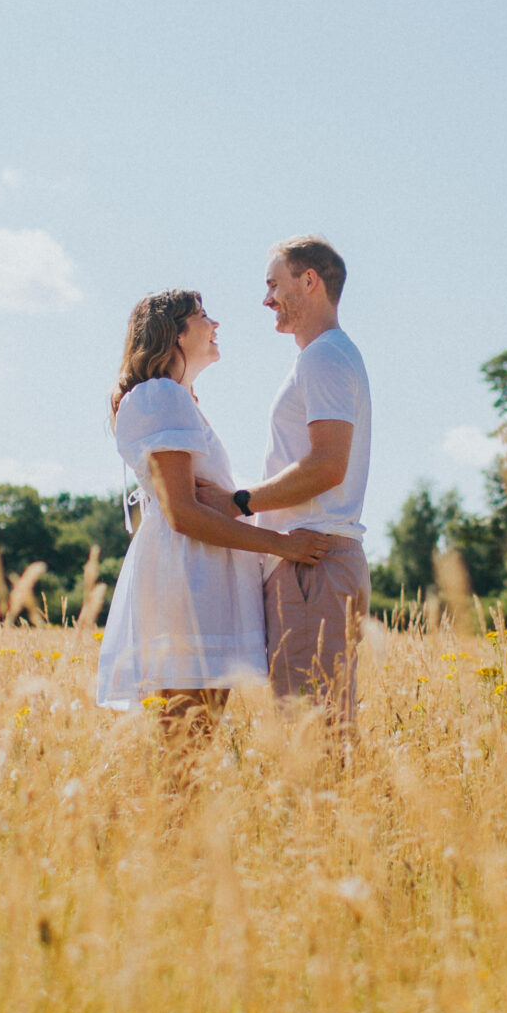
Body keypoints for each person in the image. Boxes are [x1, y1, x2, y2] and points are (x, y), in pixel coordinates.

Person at [94, 288, 333, 738]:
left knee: (196, 734)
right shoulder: (161, 395)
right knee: (186, 738)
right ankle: (169, 811)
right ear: (177, 335)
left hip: (202, 573)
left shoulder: (175, 399)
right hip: (190, 576)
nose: (215, 324)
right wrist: (283, 546)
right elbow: (183, 513)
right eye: (203, 316)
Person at [204, 236, 371, 740]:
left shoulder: (325, 357)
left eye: (273, 284)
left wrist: (240, 503)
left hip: (312, 562)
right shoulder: (320, 358)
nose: (266, 298)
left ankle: (326, 823)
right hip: (309, 562)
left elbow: (326, 466)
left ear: (310, 281)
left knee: (313, 735)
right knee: (315, 726)